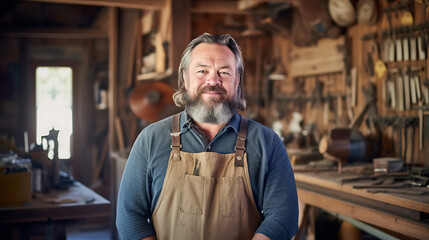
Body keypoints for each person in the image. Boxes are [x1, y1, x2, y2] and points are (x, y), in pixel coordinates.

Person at [116, 33, 299, 240]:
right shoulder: (151, 139)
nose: (213, 80)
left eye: (224, 71)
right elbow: (129, 216)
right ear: (186, 78)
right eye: (202, 71)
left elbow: (284, 218)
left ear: (236, 80)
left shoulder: (267, 142)